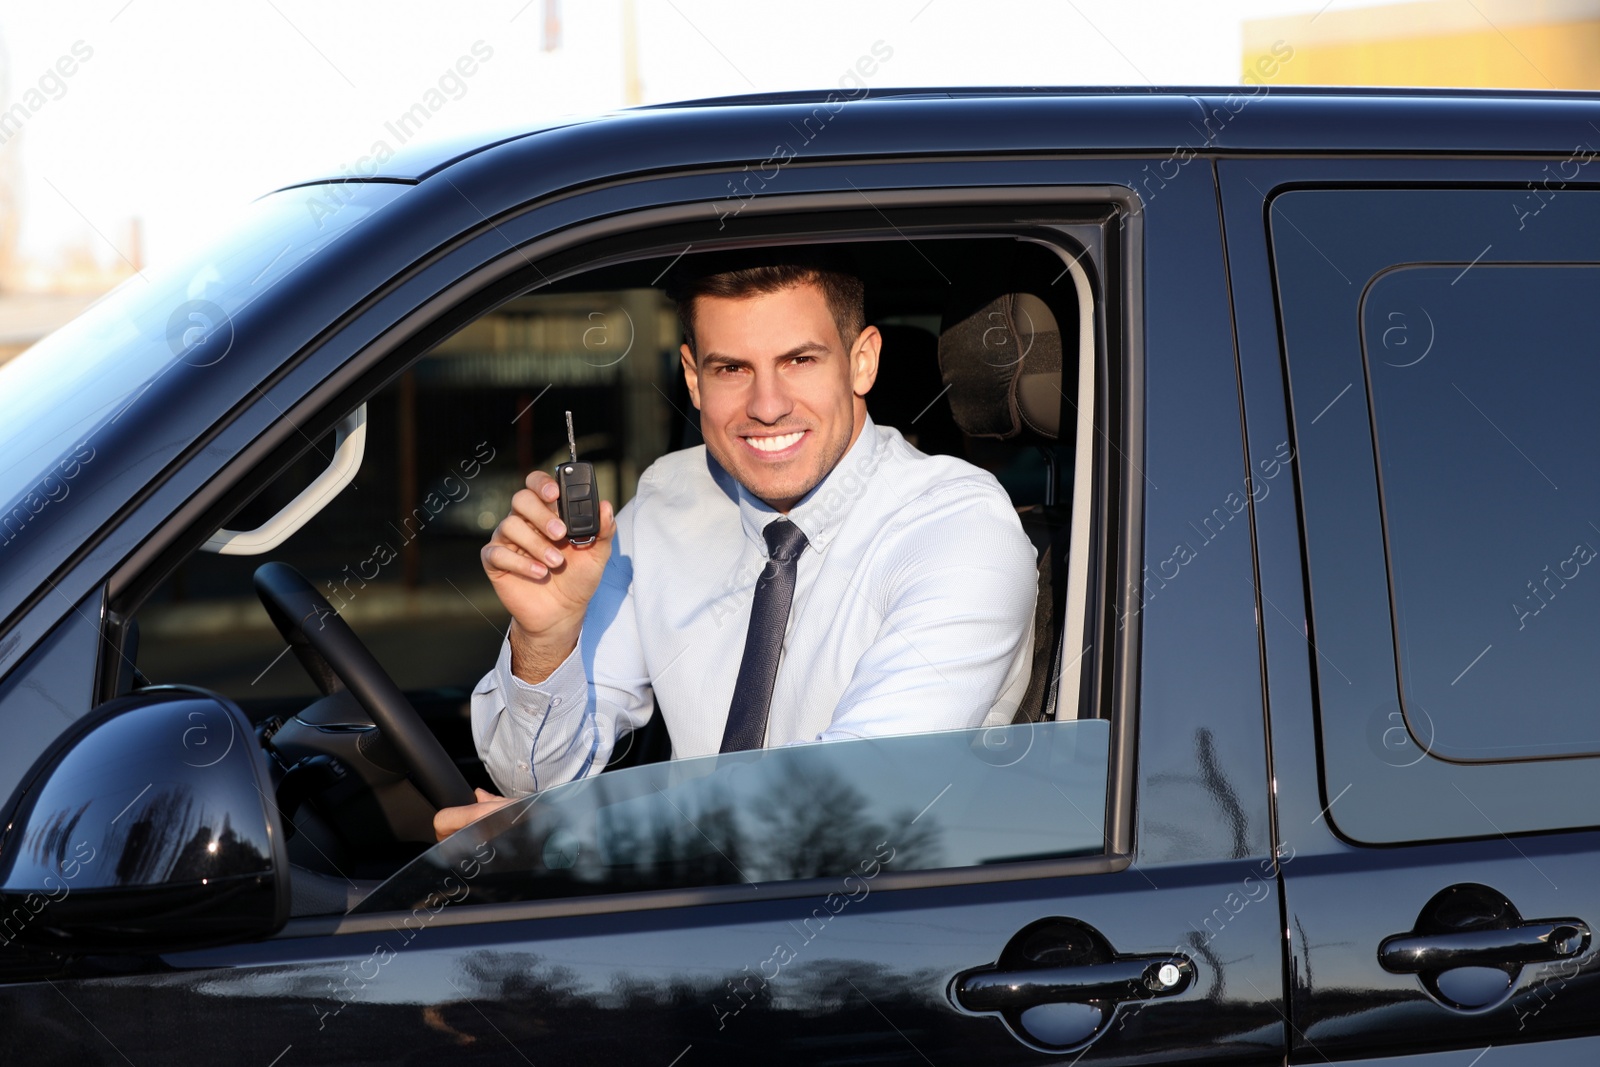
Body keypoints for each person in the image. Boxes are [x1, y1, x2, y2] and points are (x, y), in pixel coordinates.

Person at [433, 255, 1038, 839]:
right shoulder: (667, 503)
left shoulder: (957, 526)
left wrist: (576, 834)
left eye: (799, 360)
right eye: (732, 370)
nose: (767, 407)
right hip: (687, 923)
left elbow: (853, 801)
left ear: (862, 362)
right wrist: (546, 641)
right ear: (694, 379)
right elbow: (531, 778)